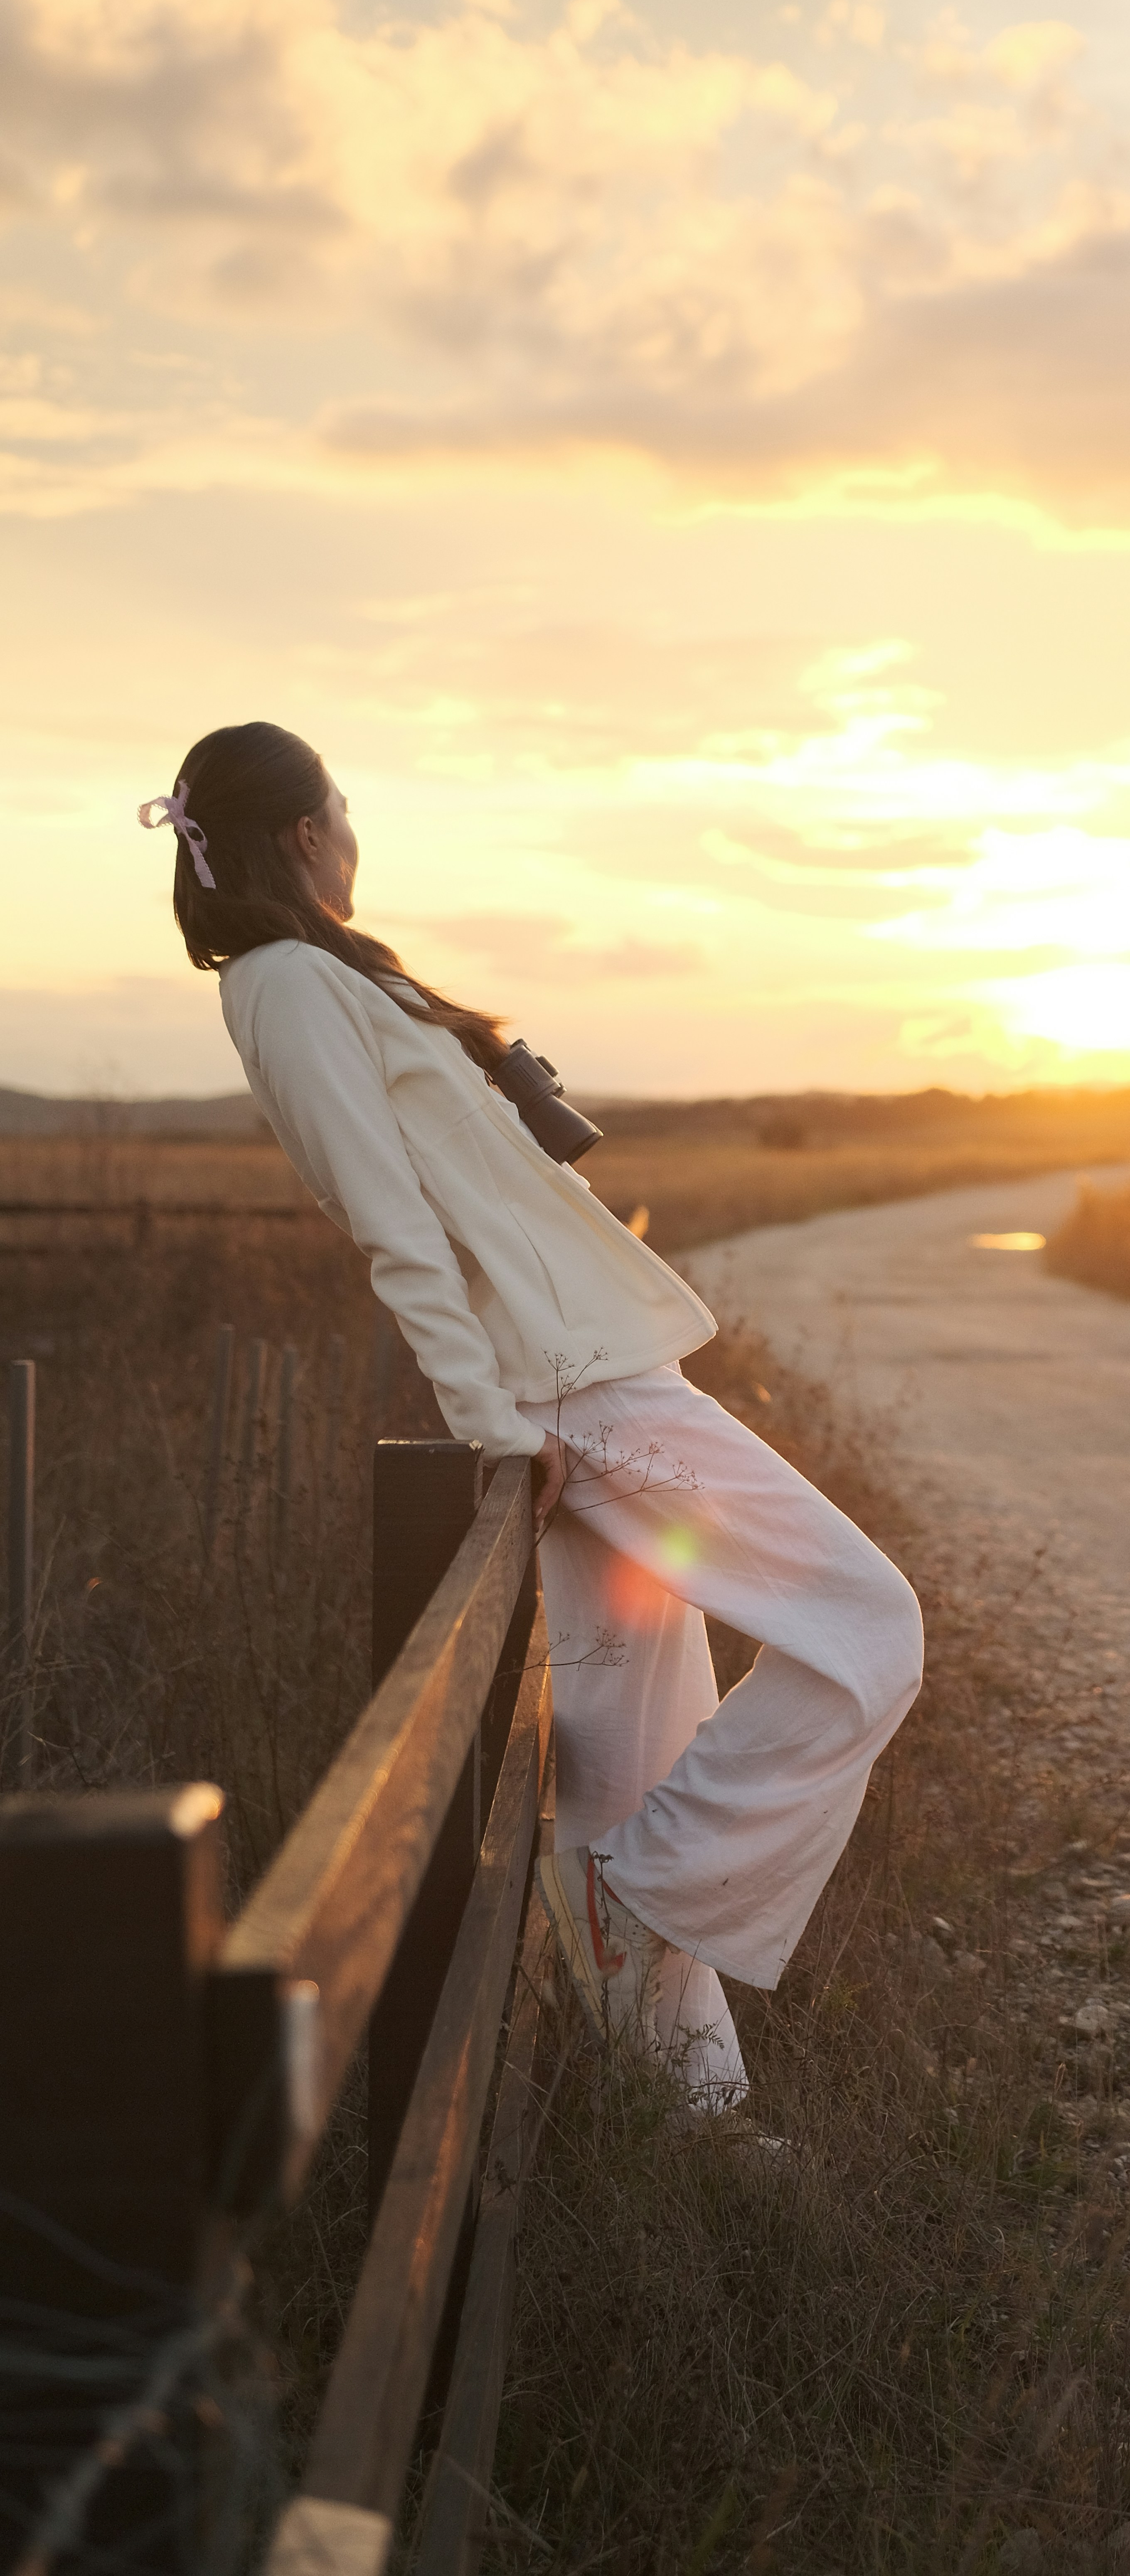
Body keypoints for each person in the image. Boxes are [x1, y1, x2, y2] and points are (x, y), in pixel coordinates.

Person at [145, 722, 923, 2111]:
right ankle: (652, 1892)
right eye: (346, 806)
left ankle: (686, 2116)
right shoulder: (281, 985)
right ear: (308, 833)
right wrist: (499, 1429)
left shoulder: (322, 974)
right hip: (575, 1391)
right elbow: (394, 1230)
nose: (356, 831)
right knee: (873, 1627)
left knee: (630, 1747)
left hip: (588, 1373)